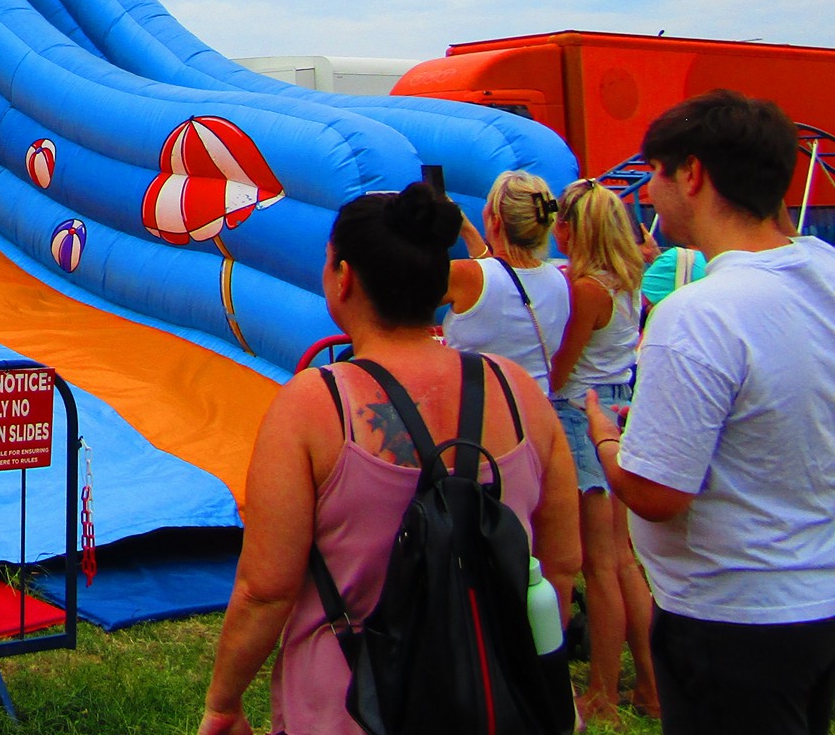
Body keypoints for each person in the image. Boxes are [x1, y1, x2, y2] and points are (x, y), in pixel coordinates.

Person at [198, 184, 580, 735]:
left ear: (344, 276)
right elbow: (561, 563)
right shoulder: (517, 392)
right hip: (500, 704)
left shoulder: (315, 405)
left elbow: (267, 588)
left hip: (350, 707)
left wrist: (224, 702)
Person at [582, 90, 835, 734]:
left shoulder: (698, 314)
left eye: (656, 173)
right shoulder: (825, 272)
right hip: (817, 597)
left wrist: (607, 443)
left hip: (731, 617)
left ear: (691, 174)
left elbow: (658, 492)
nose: (651, 193)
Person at [548, 178, 658, 722]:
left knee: (599, 568)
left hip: (579, 413)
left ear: (573, 229)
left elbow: (561, 366)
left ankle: (604, 694)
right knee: (625, 562)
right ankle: (650, 686)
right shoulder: (629, 278)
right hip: (617, 407)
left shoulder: (586, 289)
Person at [442, 169, 573, 396]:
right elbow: (501, 280)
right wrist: (468, 232)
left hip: (481, 415)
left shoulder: (465, 275)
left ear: (494, 221)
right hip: (536, 412)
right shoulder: (559, 280)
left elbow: (397, 302)